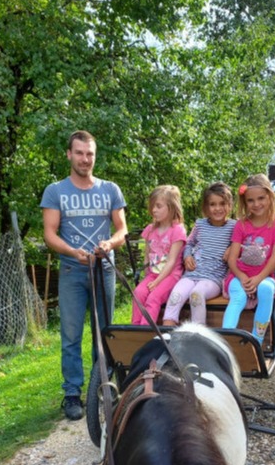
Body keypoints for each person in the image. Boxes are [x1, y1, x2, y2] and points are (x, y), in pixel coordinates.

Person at [41, 131, 128, 420]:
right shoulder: (55, 191)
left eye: (89, 153)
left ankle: (103, 387)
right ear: (69, 154)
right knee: (71, 334)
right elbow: (50, 234)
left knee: (104, 332)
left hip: (103, 268)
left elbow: (122, 229)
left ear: (95, 155)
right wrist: (72, 251)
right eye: (79, 153)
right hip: (72, 269)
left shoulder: (110, 189)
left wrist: (109, 244)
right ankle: (72, 395)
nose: (85, 159)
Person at [222, 173, 275, 345]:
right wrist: (242, 276)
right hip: (239, 276)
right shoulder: (242, 224)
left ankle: (256, 341)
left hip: (265, 276)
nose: (256, 204)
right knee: (238, 297)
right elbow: (232, 259)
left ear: (270, 196)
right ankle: (225, 341)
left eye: (261, 198)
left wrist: (258, 279)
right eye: (250, 201)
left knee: (266, 291)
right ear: (245, 203)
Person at [162, 182, 236, 326]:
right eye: (213, 204)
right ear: (206, 207)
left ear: (229, 205)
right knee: (175, 296)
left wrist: (232, 246)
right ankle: (166, 333)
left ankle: (198, 334)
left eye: (222, 203)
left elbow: (242, 242)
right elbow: (189, 243)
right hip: (191, 274)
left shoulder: (234, 226)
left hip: (213, 278)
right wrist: (187, 256)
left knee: (196, 295)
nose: (218, 208)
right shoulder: (200, 224)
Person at [132, 185, 187, 325]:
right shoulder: (150, 229)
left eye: (158, 206)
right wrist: (147, 277)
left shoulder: (177, 231)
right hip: (152, 275)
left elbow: (172, 261)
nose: (153, 210)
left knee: (153, 298)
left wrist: (157, 282)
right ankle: (134, 329)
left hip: (170, 276)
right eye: (152, 206)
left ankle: (145, 331)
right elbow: (147, 255)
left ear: (171, 207)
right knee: (138, 293)